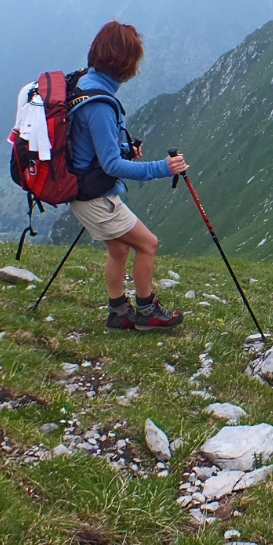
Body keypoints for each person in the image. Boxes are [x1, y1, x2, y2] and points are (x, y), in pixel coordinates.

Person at [67, 20, 189, 331]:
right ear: (124, 62)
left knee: (119, 248)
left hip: (85, 191)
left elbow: (94, 146)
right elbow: (111, 166)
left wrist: (123, 148)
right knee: (147, 243)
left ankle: (119, 312)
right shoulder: (100, 104)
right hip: (94, 197)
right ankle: (147, 312)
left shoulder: (84, 85)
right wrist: (162, 168)